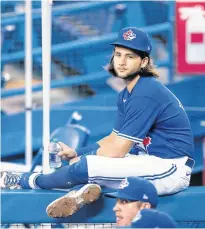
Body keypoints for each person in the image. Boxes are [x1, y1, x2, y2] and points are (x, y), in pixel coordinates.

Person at [1, 27, 194, 218]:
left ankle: (27, 180)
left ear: (144, 62)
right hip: (148, 162)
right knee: (87, 166)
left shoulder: (147, 91)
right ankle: (83, 191)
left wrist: (85, 159)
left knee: (84, 167)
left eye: (130, 57)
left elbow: (117, 151)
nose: (122, 62)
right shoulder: (127, 94)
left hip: (170, 168)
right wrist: (78, 152)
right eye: (118, 55)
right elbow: (113, 139)